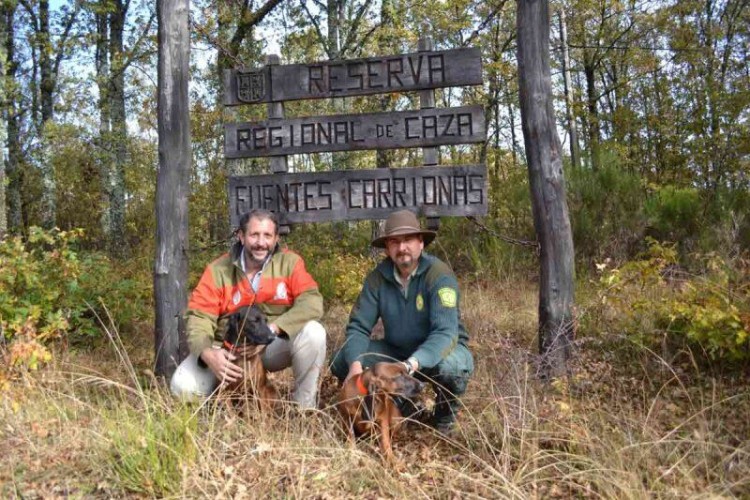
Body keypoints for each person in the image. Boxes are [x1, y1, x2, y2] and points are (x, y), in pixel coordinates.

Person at [331, 209, 474, 433]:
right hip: (397, 351)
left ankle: (444, 416)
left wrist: (411, 364)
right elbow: (359, 326)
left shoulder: (439, 275)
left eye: (408, 240)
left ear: (421, 243)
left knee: (451, 368)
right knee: (342, 360)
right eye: (394, 242)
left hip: (440, 352)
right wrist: (355, 367)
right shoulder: (378, 278)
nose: (402, 248)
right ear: (387, 248)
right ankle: (401, 405)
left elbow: (445, 333)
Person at [170, 209, 326, 408]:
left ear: (276, 238)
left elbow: (312, 302)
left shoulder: (290, 263)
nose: (261, 242)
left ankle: (304, 409)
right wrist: (208, 354)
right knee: (182, 386)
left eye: (268, 235)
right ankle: (218, 409)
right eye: (254, 235)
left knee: (314, 333)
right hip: (227, 351)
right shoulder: (218, 270)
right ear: (241, 236)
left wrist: (273, 330)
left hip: (271, 343)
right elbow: (199, 317)